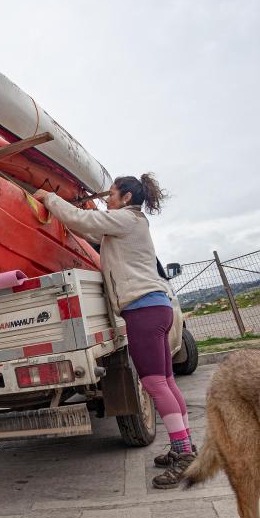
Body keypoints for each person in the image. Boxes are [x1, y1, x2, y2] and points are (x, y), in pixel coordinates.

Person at [33, 173, 193, 488]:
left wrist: (48, 198)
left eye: (112, 193)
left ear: (126, 198)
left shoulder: (126, 219)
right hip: (155, 307)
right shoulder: (132, 222)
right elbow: (89, 227)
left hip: (144, 311)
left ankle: (184, 453)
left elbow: (82, 220)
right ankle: (185, 445)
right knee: (166, 381)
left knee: (154, 383)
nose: (107, 199)